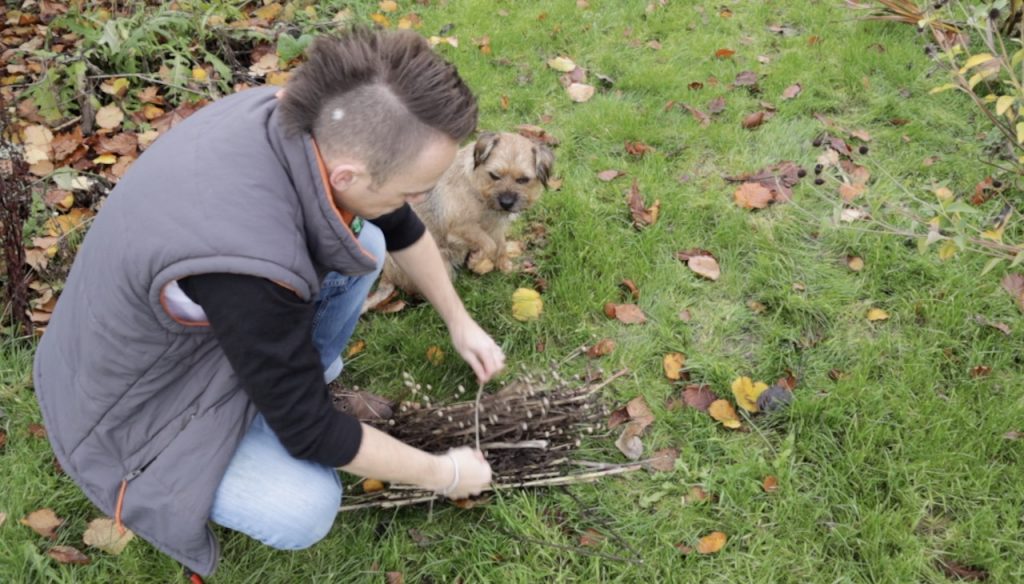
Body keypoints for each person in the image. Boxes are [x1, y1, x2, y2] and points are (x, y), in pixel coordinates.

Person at [33, 29, 502, 577]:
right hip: (128, 410)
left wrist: (460, 322)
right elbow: (312, 433)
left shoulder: (300, 118)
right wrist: (443, 474)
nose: (417, 202)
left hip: (180, 335)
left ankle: (292, 383)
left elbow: (394, 222)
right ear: (349, 175)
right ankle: (274, 402)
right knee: (303, 509)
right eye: (412, 190)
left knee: (367, 244)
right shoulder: (250, 263)